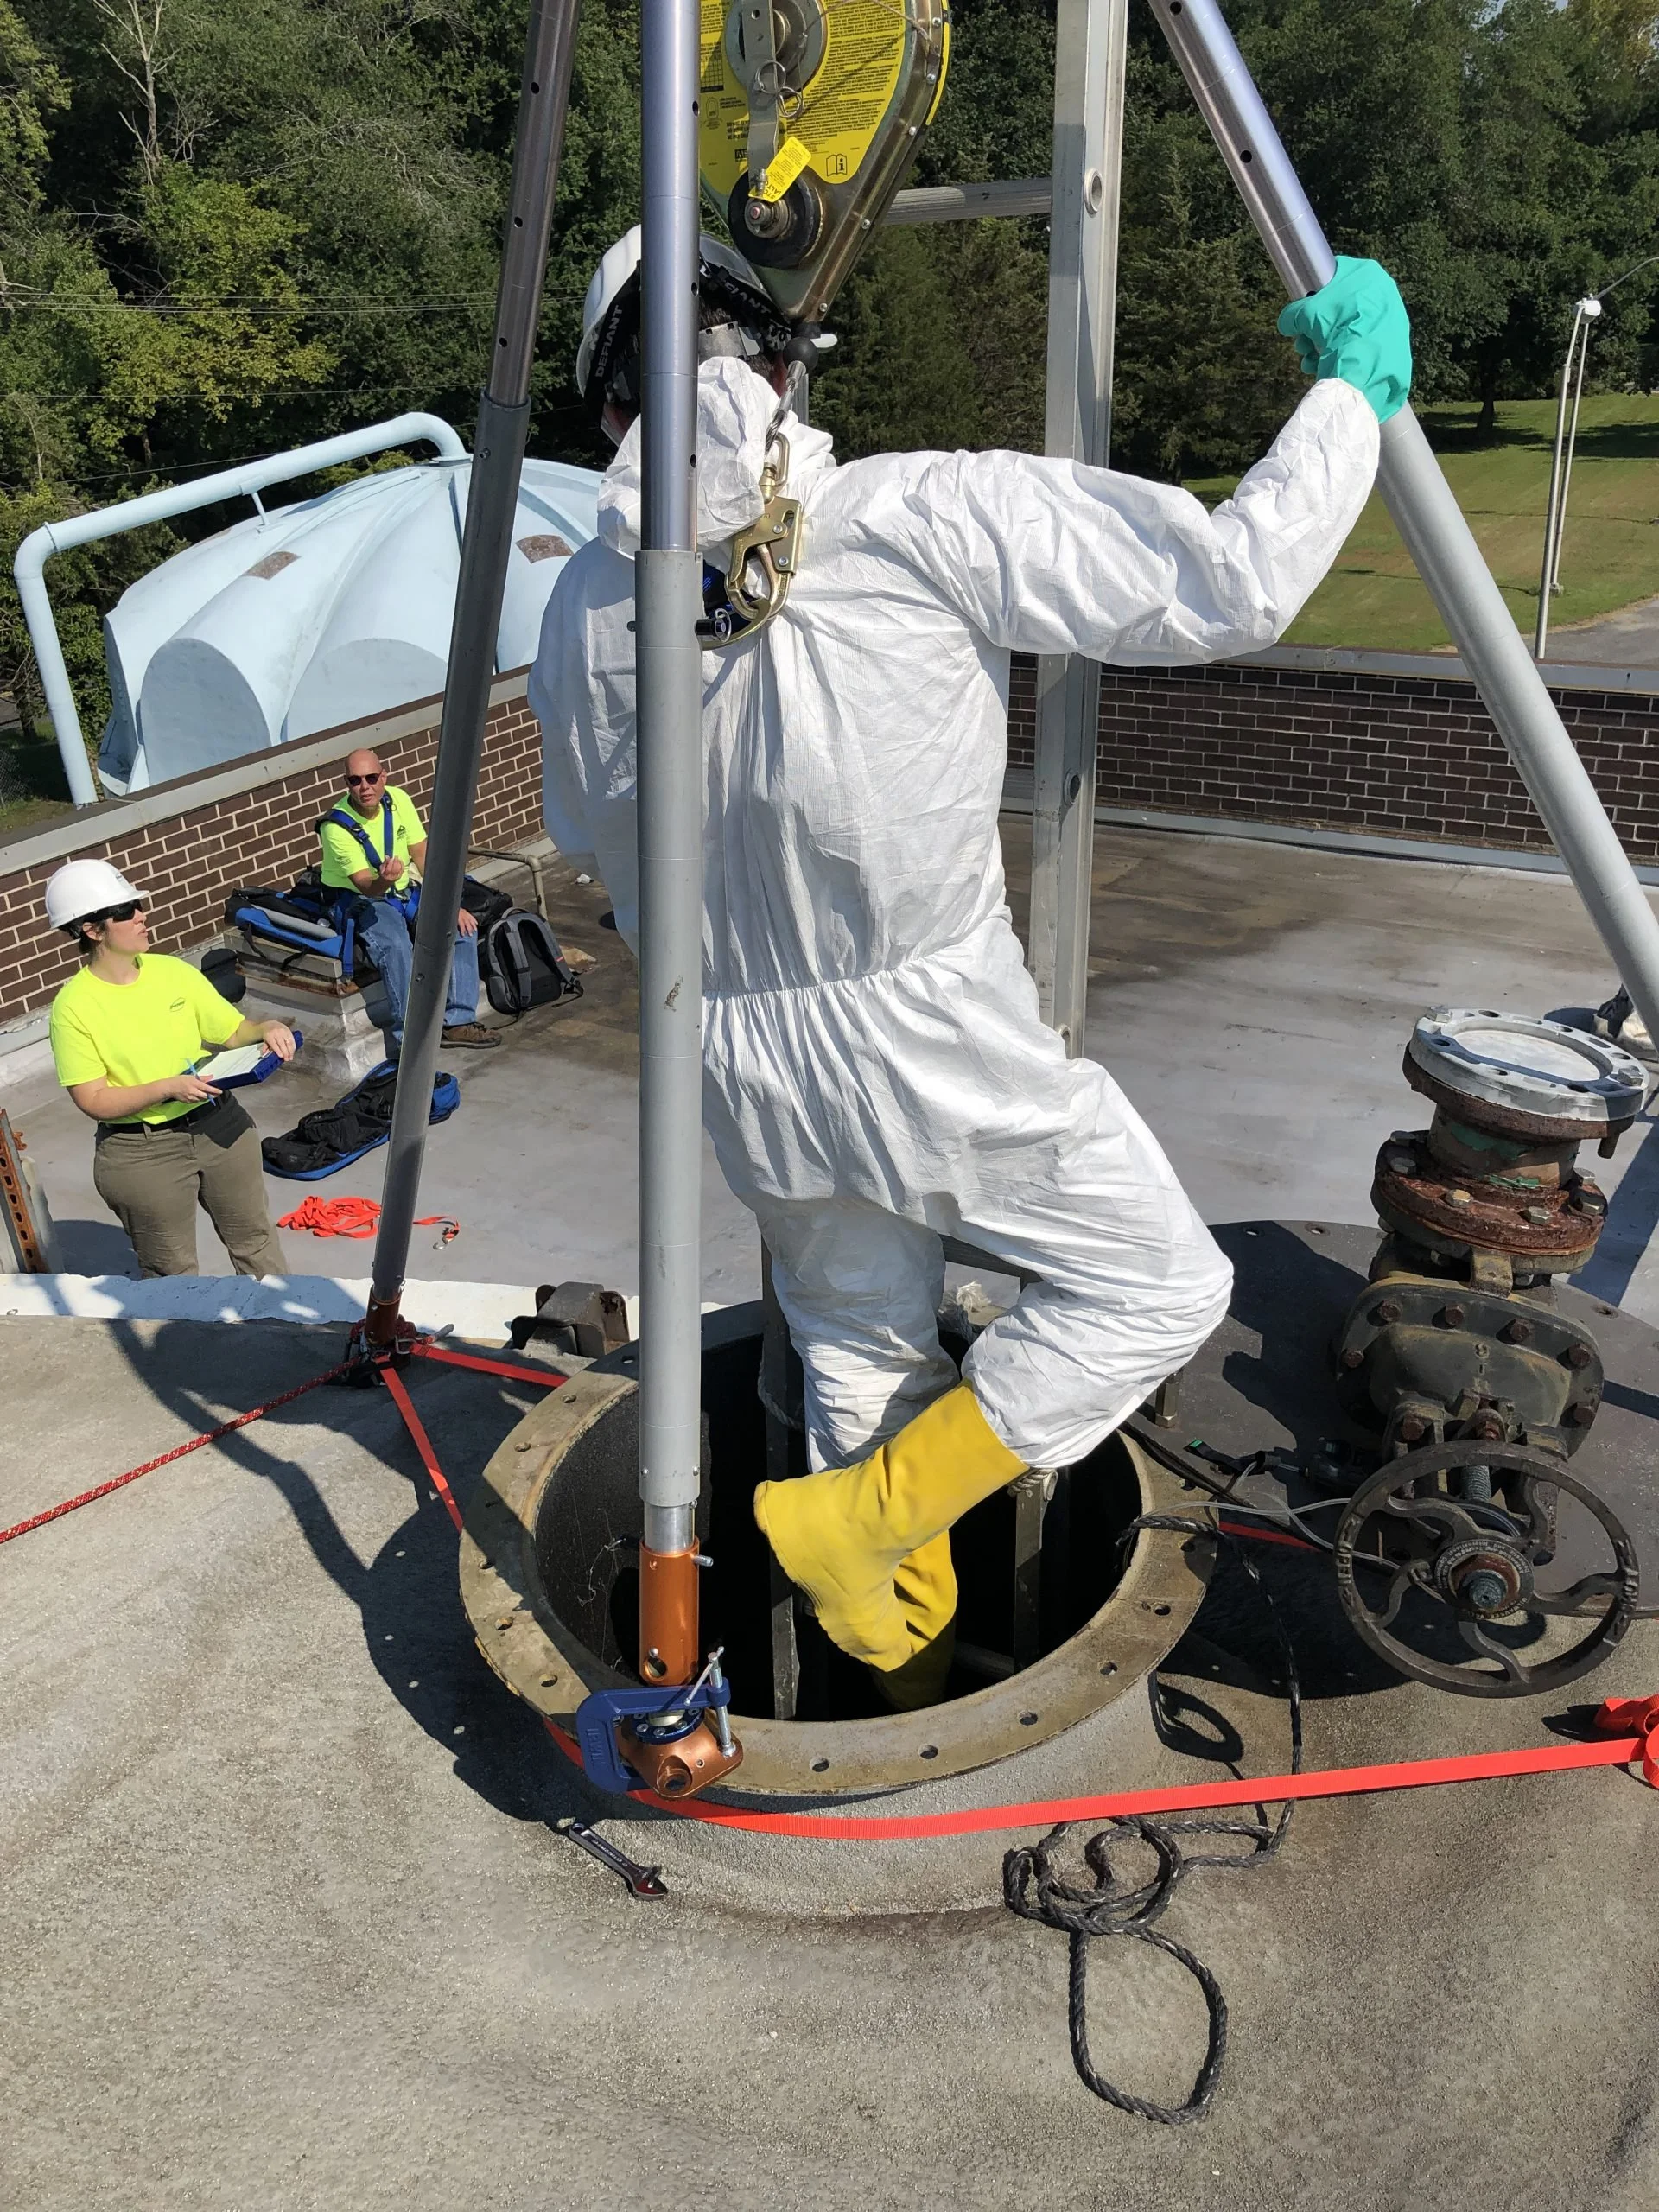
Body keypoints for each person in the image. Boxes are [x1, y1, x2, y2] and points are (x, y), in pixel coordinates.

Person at [531, 232, 1412, 1706]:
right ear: (783, 362)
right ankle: (859, 1522)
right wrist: (1348, 402)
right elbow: (1229, 582)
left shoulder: (580, 611)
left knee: (862, 1368)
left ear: (611, 409)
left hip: (729, 1056)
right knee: (1156, 1287)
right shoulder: (907, 512)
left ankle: (895, 1674)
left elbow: (588, 829)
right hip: (925, 1030)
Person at [46, 860, 294, 1279]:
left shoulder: (172, 971)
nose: (142, 915)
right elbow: (93, 1099)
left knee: (257, 1242)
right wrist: (166, 1088)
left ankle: (290, 1335)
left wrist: (264, 1028)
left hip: (221, 1125)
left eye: (138, 905)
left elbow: (233, 1032)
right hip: (142, 1151)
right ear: (91, 929)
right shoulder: (72, 1008)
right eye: (125, 911)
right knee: (171, 1275)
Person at [317, 748, 499, 1052]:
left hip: (400, 888)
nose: (365, 787)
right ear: (346, 783)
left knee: (462, 927)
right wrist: (384, 880)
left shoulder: (398, 800)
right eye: (355, 780)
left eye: (372, 778)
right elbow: (365, 885)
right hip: (361, 897)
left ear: (383, 777)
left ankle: (458, 1022)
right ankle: (410, 1038)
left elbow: (423, 855)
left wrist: (450, 905)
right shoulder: (335, 827)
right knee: (396, 945)